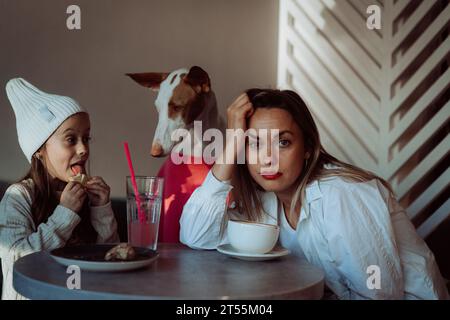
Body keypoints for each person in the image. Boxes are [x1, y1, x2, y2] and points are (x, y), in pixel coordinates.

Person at [179, 89, 449, 300]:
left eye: (283, 142)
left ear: (307, 147)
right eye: (254, 143)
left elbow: (379, 294)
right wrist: (233, 141)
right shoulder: (265, 202)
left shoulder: (342, 195)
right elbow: (197, 235)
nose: (268, 159)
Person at [0, 78, 119, 300]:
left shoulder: (85, 198)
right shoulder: (18, 197)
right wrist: (64, 215)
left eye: (86, 138)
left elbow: (108, 264)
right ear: (39, 149)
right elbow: (17, 261)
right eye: (71, 139)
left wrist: (102, 210)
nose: (83, 149)